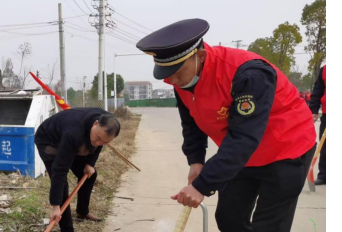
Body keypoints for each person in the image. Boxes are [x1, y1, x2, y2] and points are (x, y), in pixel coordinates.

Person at [135, 19, 316, 232]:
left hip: (286, 149)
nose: (172, 81)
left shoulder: (248, 74)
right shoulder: (183, 79)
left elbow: (245, 137)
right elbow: (191, 122)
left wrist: (202, 186)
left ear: (200, 56)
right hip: (242, 154)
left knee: (269, 226)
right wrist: (196, 161)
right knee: (229, 218)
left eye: (177, 73)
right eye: (167, 74)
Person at [35, 108, 121, 232]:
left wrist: (90, 163)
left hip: (71, 138)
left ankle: (82, 211)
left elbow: (98, 144)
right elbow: (60, 170)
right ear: (96, 123)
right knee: (62, 184)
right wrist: (56, 206)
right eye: (97, 137)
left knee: (89, 174)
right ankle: (67, 229)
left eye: (104, 142)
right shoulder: (74, 133)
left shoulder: (109, 123)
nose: (97, 143)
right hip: (49, 140)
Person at [309, 64, 326, 185]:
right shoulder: (325, 69)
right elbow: (318, 90)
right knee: (325, 146)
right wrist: (314, 109)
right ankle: (324, 175)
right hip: (328, 113)